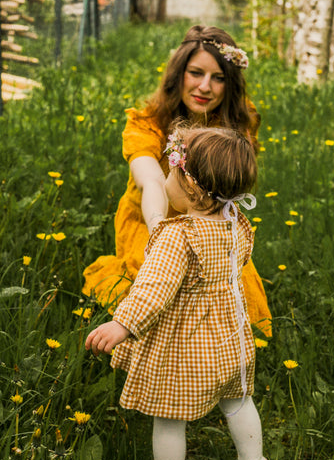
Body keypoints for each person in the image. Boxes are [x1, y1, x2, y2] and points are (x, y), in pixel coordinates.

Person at [85, 125, 271, 460]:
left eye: (170, 172)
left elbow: (154, 289)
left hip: (185, 351)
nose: (166, 178)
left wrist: (122, 324)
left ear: (191, 186)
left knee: (169, 419)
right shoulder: (236, 224)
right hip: (230, 341)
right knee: (238, 401)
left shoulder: (178, 236)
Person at [82, 24, 272, 337]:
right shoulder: (148, 121)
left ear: (230, 84)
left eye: (219, 78)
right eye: (196, 73)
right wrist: (161, 232)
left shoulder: (238, 121)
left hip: (210, 224)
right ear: (178, 73)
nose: (205, 87)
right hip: (151, 219)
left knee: (235, 303)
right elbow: (152, 180)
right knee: (156, 291)